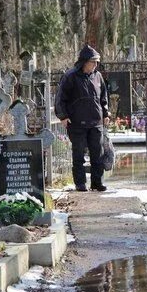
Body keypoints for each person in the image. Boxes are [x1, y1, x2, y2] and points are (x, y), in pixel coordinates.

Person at [55, 45, 110, 192]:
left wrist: (106, 113)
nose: (96, 65)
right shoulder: (70, 76)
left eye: (97, 62)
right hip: (77, 122)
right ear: (85, 62)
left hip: (96, 122)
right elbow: (61, 98)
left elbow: (103, 97)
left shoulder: (97, 76)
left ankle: (97, 182)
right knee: (78, 155)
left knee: (97, 155)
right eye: (93, 61)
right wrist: (63, 116)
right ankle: (80, 184)